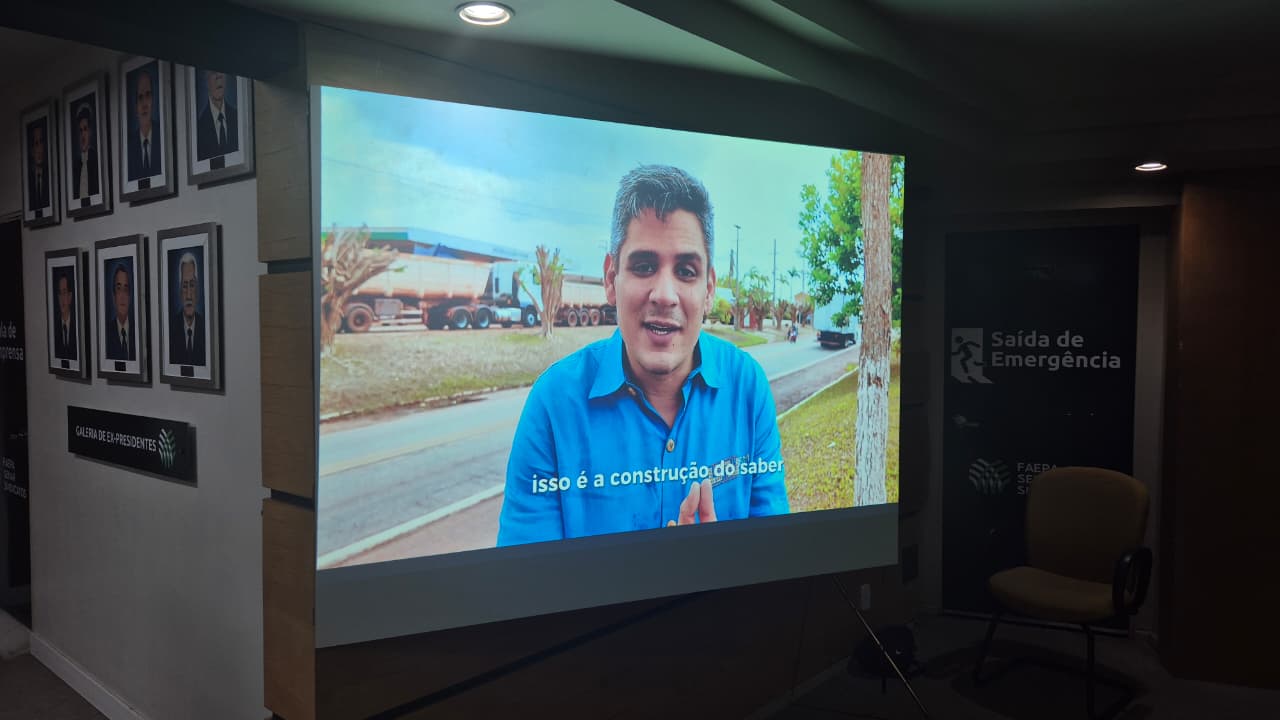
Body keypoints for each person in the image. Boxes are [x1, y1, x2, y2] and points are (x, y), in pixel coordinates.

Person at [497, 165, 789, 547]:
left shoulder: (748, 388)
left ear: (708, 289)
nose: (664, 295)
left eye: (686, 271)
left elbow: (776, 555)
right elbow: (528, 577)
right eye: (644, 266)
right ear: (610, 278)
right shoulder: (553, 404)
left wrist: (720, 565)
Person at [168, 252, 206, 366]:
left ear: (197, 289)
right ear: (180, 291)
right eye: (184, 286)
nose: (189, 295)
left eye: (192, 285)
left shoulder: (206, 327)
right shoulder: (170, 329)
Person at [126, 68, 160, 181]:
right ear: (136, 106)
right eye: (140, 97)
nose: (144, 104)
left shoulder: (162, 136)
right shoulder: (129, 146)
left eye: (148, 95)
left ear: (153, 99)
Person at [195, 70, 237, 160]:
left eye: (222, 70)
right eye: (213, 72)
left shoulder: (237, 118)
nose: (219, 77)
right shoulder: (199, 128)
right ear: (206, 81)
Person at [105, 263, 135, 361]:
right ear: (114, 296)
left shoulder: (137, 330)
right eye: (118, 289)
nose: (122, 296)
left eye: (125, 289)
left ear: (130, 296)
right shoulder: (106, 333)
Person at [71, 103, 99, 199]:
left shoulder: (96, 159)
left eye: (85, 129)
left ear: (90, 131)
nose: (83, 135)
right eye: (80, 130)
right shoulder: (76, 164)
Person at [52, 272, 77, 361]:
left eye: (64, 292)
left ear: (70, 296)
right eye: (60, 293)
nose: (62, 298)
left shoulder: (77, 325)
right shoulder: (54, 327)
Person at [27, 121, 50, 211]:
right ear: (32, 150)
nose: (40, 149)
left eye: (41, 142)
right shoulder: (29, 180)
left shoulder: (50, 176)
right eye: (36, 144)